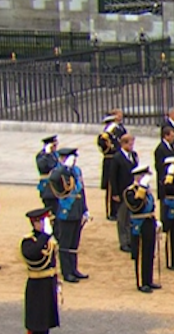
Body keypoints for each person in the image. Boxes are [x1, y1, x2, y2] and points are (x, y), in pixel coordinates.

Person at [22, 208, 66, 334]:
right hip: (36, 284)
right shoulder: (29, 241)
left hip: (47, 282)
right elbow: (32, 254)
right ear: (34, 223)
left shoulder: (47, 240)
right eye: (42, 222)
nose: (45, 224)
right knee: (35, 323)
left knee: (46, 321)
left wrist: (57, 281)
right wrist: (45, 236)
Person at [47, 147, 89, 283]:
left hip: (77, 210)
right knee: (65, 243)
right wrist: (64, 167)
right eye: (71, 158)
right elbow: (53, 179)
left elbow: (81, 191)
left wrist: (85, 209)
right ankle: (67, 272)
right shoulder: (58, 171)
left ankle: (74, 269)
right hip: (66, 211)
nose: (74, 160)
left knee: (74, 243)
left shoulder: (76, 171)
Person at [124, 164, 160, 293]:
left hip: (149, 221)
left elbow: (151, 205)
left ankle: (148, 280)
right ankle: (141, 282)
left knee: (149, 252)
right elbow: (135, 206)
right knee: (140, 253)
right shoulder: (130, 191)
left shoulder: (146, 190)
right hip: (139, 223)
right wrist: (141, 189)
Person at [110, 134, 139, 253]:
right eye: (130, 144)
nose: (132, 146)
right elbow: (113, 177)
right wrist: (115, 193)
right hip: (122, 191)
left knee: (131, 217)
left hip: (132, 191)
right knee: (122, 218)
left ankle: (131, 239)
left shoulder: (134, 155)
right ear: (123, 144)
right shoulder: (117, 158)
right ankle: (124, 242)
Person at [97, 114, 121, 220]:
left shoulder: (114, 135)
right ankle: (111, 212)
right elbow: (105, 148)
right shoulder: (104, 137)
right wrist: (107, 134)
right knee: (111, 187)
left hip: (116, 160)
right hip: (109, 162)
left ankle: (117, 210)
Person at [36, 136, 60, 210]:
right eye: (54, 145)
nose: (55, 147)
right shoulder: (41, 156)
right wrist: (47, 154)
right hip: (48, 189)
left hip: (57, 187)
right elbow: (45, 166)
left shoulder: (56, 154)